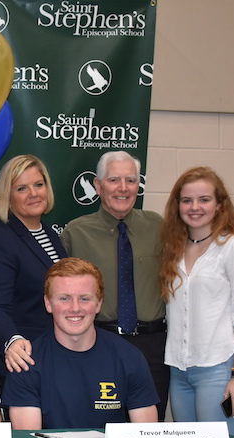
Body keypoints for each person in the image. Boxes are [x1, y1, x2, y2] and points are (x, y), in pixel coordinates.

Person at [160, 167, 234, 437]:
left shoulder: (233, 247)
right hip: (179, 371)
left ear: (220, 205)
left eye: (204, 199)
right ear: (178, 206)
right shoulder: (172, 249)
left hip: (217, 370)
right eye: (187, 200)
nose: (194, 207)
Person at [61, 151, 169, 420]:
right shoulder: (75, 233)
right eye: (114, 180)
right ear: (98, 186)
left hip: (152, 347)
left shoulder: (158, 226)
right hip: (98, 343)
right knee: (97, 427)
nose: (123, 188)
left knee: (147, 433)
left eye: (130, 180)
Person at [3, 258, 159, 429]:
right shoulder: (26, 362)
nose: (75, 308)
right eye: (64, 298)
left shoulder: (129, 357)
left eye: (85, 299)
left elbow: (146, 437)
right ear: (48, 303)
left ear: (98, 304)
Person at [0, 154, 68, 376]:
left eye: (38, 185)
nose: (33, 193)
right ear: (8, 196)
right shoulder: (1, 237)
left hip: (58, 352)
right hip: (26, 357)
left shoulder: (49, 233)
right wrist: (11, 341)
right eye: (22, 188)